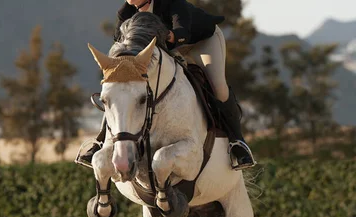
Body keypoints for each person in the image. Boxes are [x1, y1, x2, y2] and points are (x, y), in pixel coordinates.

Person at [78, 0, 256, 170]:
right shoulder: (125, 13)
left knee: (218, 86)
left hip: (201, 42)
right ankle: (101, 141)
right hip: (165, 50)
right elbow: (120, 45)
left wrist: (162, 34)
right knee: (121, 89)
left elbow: (182, 32)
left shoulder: (171, 2)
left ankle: (237, 143)